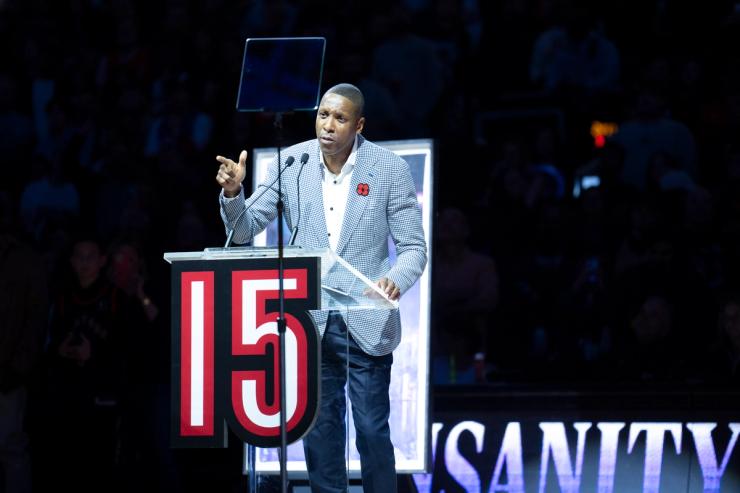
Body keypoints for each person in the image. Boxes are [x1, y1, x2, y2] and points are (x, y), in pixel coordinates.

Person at [215, 83, 427, 493]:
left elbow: (414, 247)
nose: (328, 126)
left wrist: (395, 281)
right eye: (323, 116)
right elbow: (242, 232)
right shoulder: (292, 162)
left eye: (340, 118)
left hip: (367, 318)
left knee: (369, 429)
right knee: (321, 432)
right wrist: (233, 193)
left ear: (359, 124)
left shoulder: (388, 169)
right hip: (309, 320)